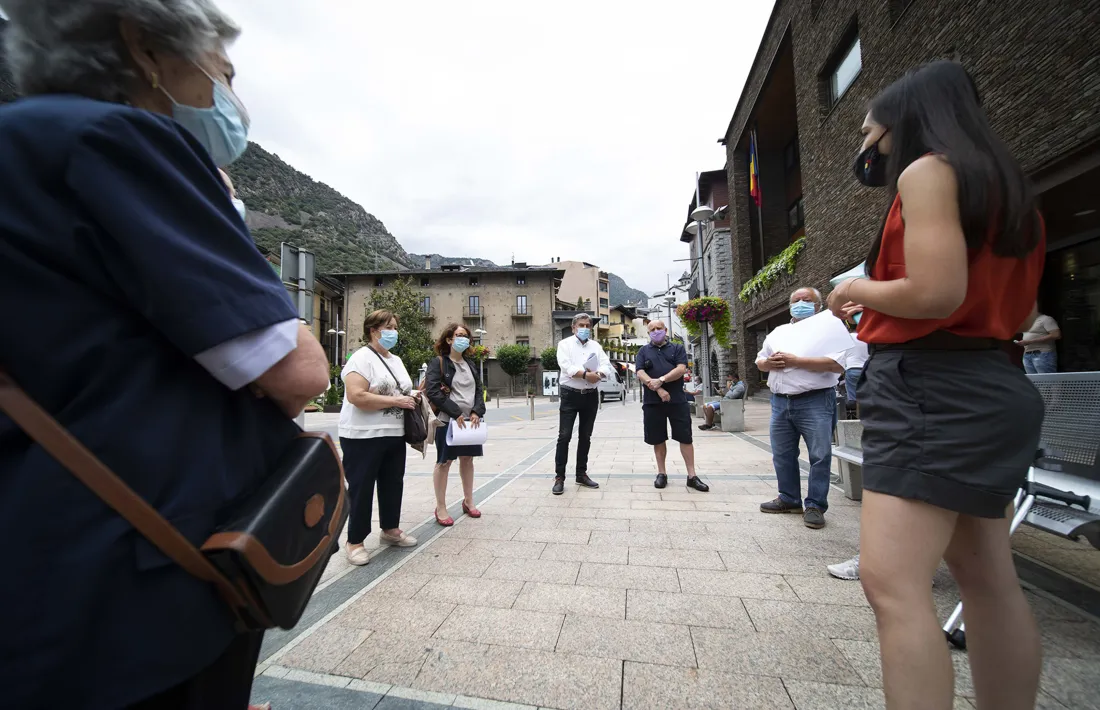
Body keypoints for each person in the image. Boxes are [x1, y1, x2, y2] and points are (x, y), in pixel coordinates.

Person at [0, 2, 332, 707]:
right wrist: (223, 211)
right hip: (142, 581)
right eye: (223, 68)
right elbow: (299, 372)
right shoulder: (114, 138)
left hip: (42, 565)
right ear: (143, 46)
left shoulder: (22, 148)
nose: (231, 95)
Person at [827, 60, 1045, 710]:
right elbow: (1018, 310)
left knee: (890, 583)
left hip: (932, 388)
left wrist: (855, 289)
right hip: (990, 379)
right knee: (986, 578)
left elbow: (935, 292)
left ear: (903, 122)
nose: (867, 150)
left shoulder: (928, 172)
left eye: (870, 133)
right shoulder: (1007, 189)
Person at [756, 287, 847, 530]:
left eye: (807, 300)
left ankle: (816, 505)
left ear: (818, 306)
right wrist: (768, 363)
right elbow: (760, 361)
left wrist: (797, 361)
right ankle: (789, 498)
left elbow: (837, 364)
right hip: (780, 401)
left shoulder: (830, 328)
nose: (801, 303)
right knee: (783, 454)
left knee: (819, 455)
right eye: (796, 300)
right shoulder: (779, 331)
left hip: (815, 399)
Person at [339, 310, 419, 566]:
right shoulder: (361, 359)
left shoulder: (396, 360)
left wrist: (415, 395)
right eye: (389, 327)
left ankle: (390, 530)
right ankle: (355, 542)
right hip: (363, 436)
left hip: (394, 433)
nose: (394, 332)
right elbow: (356, 396)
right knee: (362, 488)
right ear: (374, 331)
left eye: (395, 327)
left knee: (393, 483)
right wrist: (396, 400)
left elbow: (401, 389)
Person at [636, 320, 710, 491]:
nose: (656, 332)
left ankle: (692, 475)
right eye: (652, 330)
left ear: (666, 330)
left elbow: (681, 369)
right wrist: (658, 389)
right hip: (652, 402)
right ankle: (661, 473)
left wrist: (661, 380)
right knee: (657, 438)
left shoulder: (677, 348)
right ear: (648, 333)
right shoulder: (643, 351)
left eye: (659, 328)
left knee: (685, 436)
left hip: (677, 400)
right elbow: (640, 372)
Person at [425, 323, 486, 526]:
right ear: (449, 340)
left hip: (470, 422)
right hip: (447, 420)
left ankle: (468, 501)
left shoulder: (470, 364)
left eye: (466, 336)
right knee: (444, 462)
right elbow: (433, 391)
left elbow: (479, 389)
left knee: (467, 460)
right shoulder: (439, 362)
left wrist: (477, 410)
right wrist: (455, 412)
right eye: (459, 335)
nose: (463, 339)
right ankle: (441, 507)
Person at [553, 313, 613, 494]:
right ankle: (559, 477)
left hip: (590, 395)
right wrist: (586, 375)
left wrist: (599, 375)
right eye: (581, 325)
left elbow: (606, 366)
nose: (585, 328)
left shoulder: (596, 346)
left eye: (588, 325)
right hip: (570, 394)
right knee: (564, 436)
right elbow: (566, 367)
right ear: (573, 327)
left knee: (585, 436)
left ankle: (581, 474)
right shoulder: (564, 345)